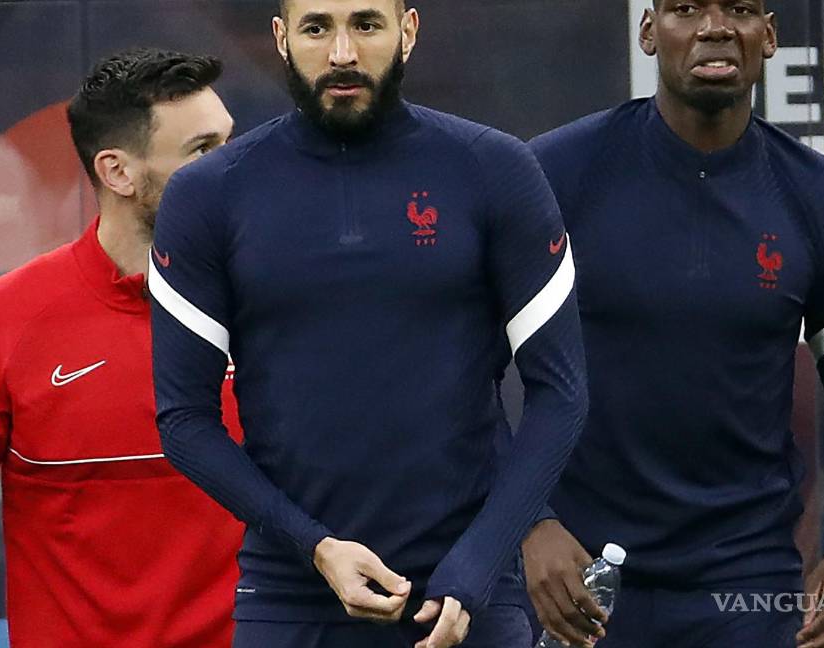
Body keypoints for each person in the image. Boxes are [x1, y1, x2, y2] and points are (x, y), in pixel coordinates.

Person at [147, 1, 588, 646]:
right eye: (317, 27)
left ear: (408, 31)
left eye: (367, 24)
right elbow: (183, 420)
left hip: (468, 598)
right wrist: (314, 545)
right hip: (291, 593)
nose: (343, 53)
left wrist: (477, 564)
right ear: (281, 38)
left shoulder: (495, 169)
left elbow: (563, 393)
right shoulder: (209, 194)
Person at [523, 2, 824, 647]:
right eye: (686, 8)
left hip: (746, 587)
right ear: (648, 31)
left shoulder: (823, 201)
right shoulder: (553, 177)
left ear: (770, 35)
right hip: (578, 576)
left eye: (741, 9)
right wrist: (530, 525)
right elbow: (466, 374)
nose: (715, 27)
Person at [0, 47, 244, 647]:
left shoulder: (276, 306)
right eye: (202, 151)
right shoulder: (3, 321)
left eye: (231, 143)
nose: (233, 168)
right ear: (118, 173)